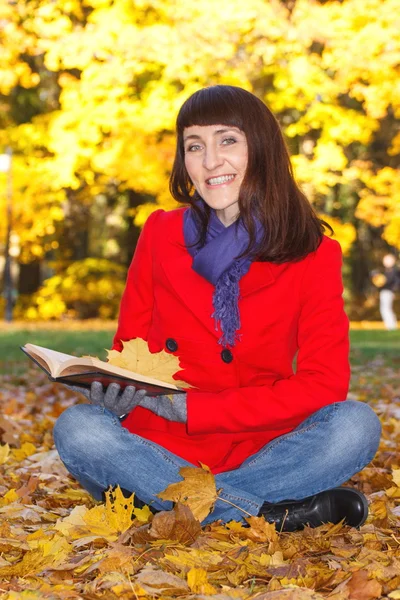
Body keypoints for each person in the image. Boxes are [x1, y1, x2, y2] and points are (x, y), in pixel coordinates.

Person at [53, 85, 382, 531]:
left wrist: (197, 411)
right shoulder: (159, 233)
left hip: (262, 444)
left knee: (355, 426)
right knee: (79, 429)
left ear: (261, 149)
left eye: (227, 140)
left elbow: (323, 385)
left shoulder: (312, 253)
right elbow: (131, 351)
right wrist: (117, 397)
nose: (210, 161)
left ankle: (185, 507)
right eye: (194, 146)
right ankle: (262, 514)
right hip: (163, 444)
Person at [371, 253, 399, 330]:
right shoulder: (385, 270)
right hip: (385, 292)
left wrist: (393, 291)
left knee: (386, 309)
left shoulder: (393, 271)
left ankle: (391, 326)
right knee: (385, 308)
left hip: (388, 292)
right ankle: (391, 326)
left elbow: (392, 282)